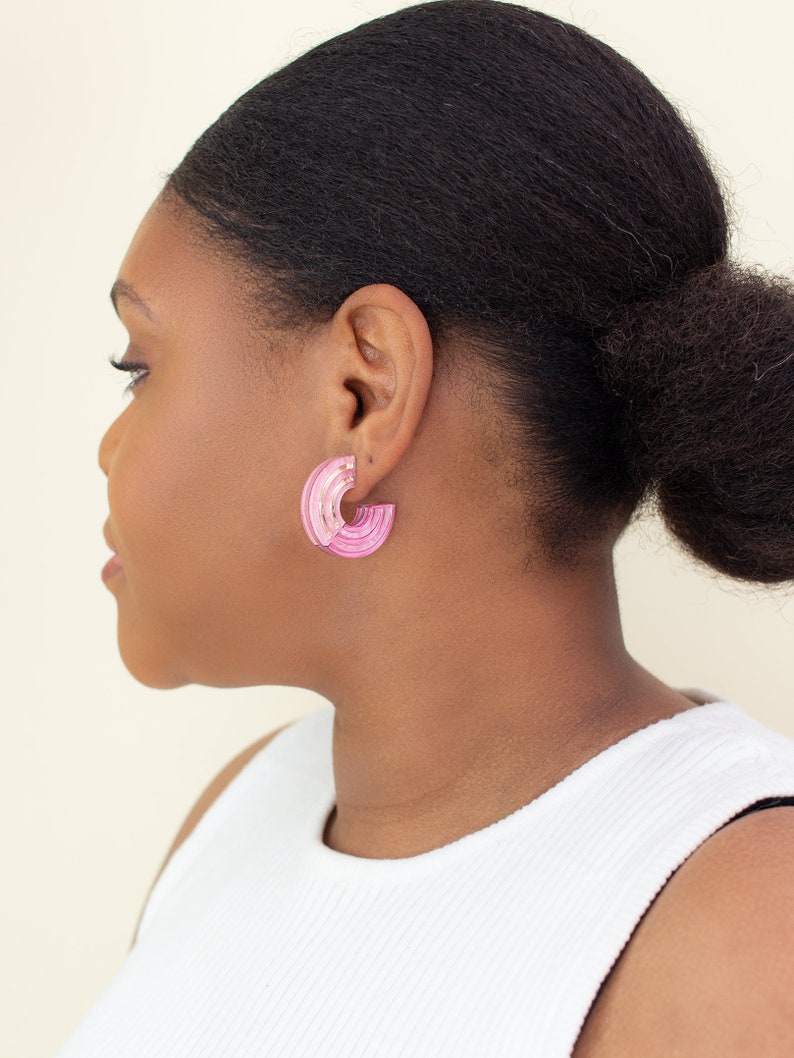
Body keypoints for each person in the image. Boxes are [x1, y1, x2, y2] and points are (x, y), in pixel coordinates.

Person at [56, 1, 794, 1055]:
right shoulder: (239, 814)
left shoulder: (743, 930)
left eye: (140, 365)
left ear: (363, 389)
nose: (105, 448)